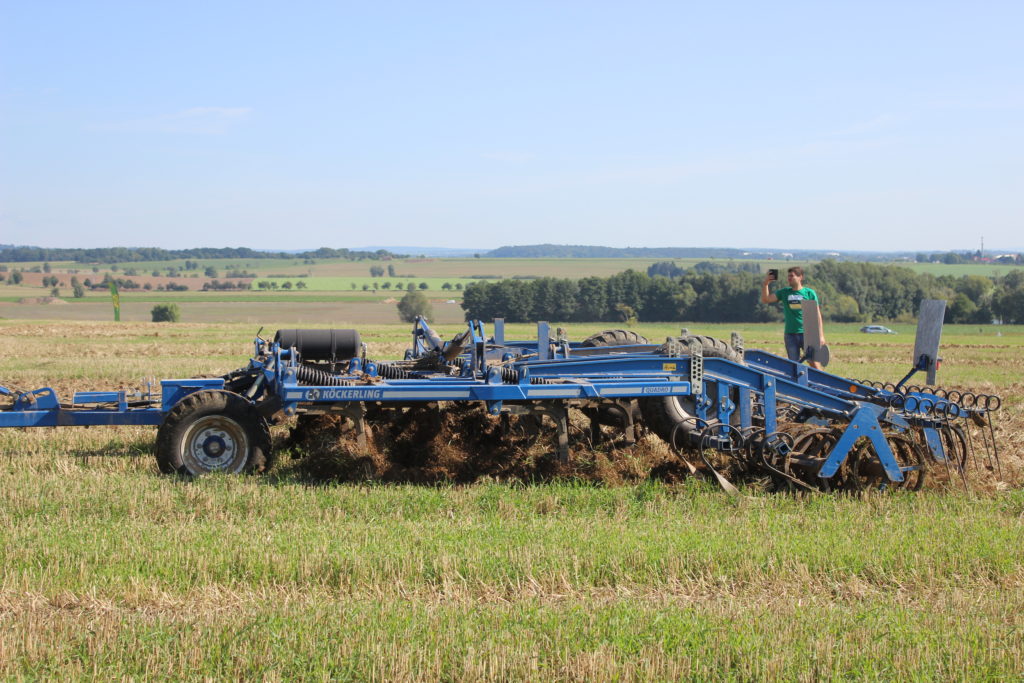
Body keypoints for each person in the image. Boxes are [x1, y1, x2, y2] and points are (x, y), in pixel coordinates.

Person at [760, 266, 824, 369]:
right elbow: (766, 299)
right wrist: (766, 283)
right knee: (794, 366)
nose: (789, 278)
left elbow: (817, 315)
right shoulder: (784, 292)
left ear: (800, 277)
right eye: (788, 276)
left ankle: (821, 383)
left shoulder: (809, 293)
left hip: (808, 334)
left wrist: (821, 336)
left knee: (814, 363)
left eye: (792, 276)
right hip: (790, 335)